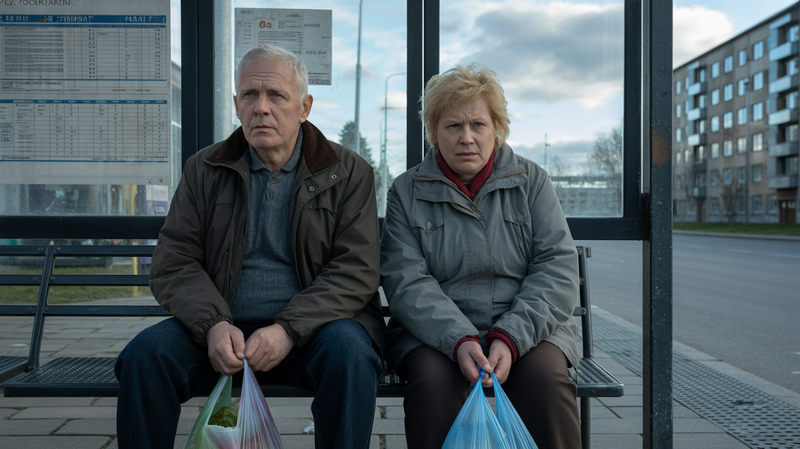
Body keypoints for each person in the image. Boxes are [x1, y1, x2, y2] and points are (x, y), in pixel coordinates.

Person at [115, 44, 385, 449]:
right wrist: (213, 325)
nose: (261, 108)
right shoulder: (204, 169)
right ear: (237, 104)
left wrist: (288, 330)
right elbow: (174, 261)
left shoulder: (347, 173)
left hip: (312, 333)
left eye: (276, 95)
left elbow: (356, 269)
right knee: (144, 356)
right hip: (221, 331)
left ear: (305, 107)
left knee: (351, 355)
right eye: (250, 95)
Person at [380, 64, 581, 449]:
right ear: (434, 132)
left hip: (528, 330)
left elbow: (557, 268)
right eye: (453, 126)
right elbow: (406, 281)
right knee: (432, 385)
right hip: (434, 334)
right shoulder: (406, 191)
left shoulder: (532, 182)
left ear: (497, 128)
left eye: (478, 125)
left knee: (544, 382)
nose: (466, 138)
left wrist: (510, 337)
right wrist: (459, 339)